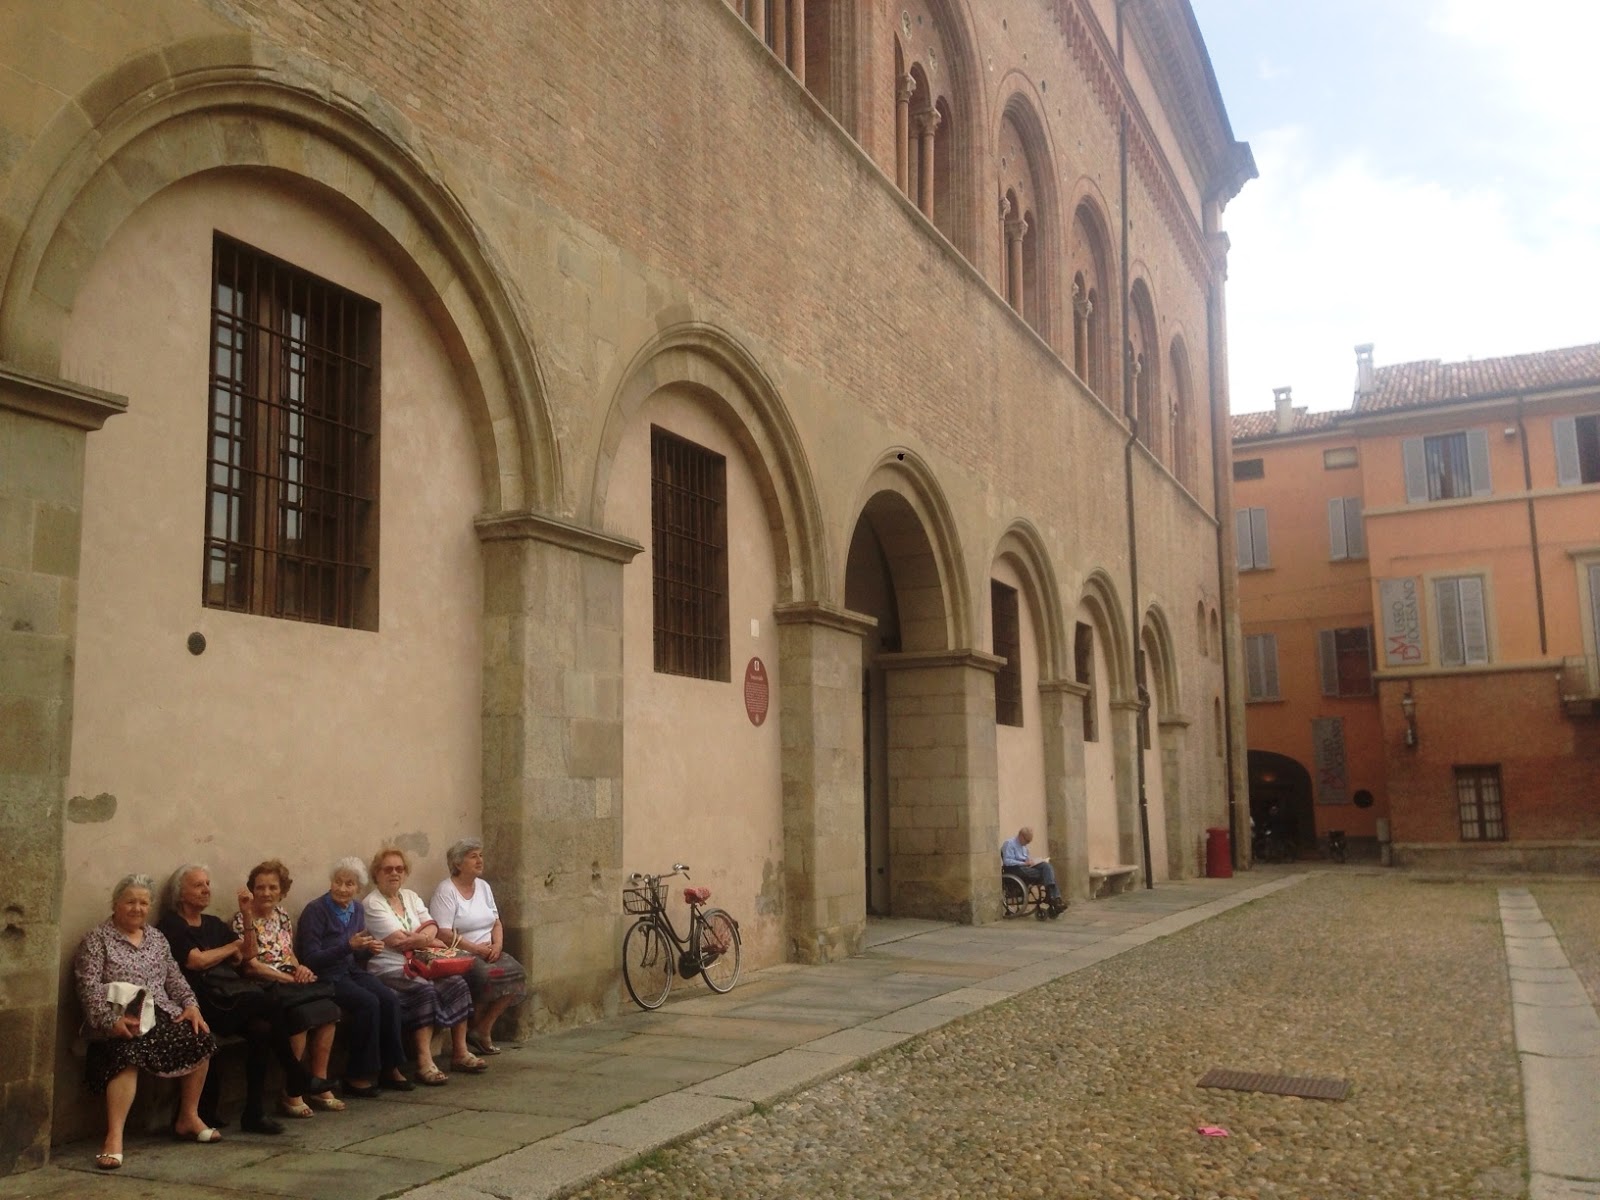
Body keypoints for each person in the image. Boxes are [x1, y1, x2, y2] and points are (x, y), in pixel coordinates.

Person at [157, 863, 319, 1134]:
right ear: (180, 894)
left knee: (262, 1029)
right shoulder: (171, 924)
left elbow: (248, 953)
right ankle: (295, 1073)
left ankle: (254, 1113)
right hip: (198, 1004)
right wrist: (230, 948)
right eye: (198, 885)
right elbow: (196, 961)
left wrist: (246, 914)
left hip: (226, 998)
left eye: (208, 884)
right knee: (269, 1003)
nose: (206, 889)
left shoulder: (212, 924)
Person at [73, 873, 219, 1170]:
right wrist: (109, 1021)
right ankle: (114, 1137)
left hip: (159, 1013)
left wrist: (191, 1005)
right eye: (130, 902)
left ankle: (188, 1117)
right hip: (119, 1018)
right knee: (128, 1054)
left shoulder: (156, 938)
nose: (137, 908)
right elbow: (88, 988)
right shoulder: (97, 939)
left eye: (143, 903)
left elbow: (174, 978)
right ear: (115, 904)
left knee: (200, 1037)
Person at [363, 846, 484, 1085]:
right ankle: (424, 1061)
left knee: (457, 983)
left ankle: (460, 1053)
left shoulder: (410, 896)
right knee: (424, 989)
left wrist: (422, 937)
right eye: (388, 869)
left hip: (423, 963)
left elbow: (432, 925)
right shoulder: (372, 903)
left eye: (400, 869)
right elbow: (397, 941)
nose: (394, 873)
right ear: (377, 873)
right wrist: (427, 938)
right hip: (390, 968)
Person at [233, 859, 344, 1118]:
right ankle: (291, 1091)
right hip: (264, 986)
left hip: (288, 982)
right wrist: (286, 978)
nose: (266, 893)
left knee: (329, 1011)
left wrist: (299, 969)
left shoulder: (282, 916)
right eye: (260, 887)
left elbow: (288, 954)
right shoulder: (242, 920)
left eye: (273, 887)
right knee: (299, 1017)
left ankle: (318, 1082)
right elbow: (251, 966)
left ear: (282, 891)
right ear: (252, 890)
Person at [295, 857, 414, 1096]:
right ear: (331, 882)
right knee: (367, 1003)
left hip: (351, 971)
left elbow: (356, 953)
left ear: (358, 888)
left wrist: (368, 949)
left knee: (389, 999)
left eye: (349, 884)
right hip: (326, 976)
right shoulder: (315, 910)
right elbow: (311, 958)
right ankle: (357, 1075)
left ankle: (390, 1067)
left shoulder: (357, 909)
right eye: (338, 882)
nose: (342, 888)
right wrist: (349, 946)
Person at [429, 839, 528, 1056]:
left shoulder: (483, 887)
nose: (480, 860)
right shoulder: (446, 890)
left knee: (517, 973)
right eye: (473, 856)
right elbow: (443, 933)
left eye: (481, 855)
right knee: (484, 976)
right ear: (457, 863)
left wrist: (497, 945)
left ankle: (483, 1028)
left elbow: (496, 922)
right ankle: (474, 1033)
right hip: (462, 952)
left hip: (489, 950)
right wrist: (476, 949)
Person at [1000, 826, 1065, 915]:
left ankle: (1055, 898)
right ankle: (1053, 897)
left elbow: (1027, 860)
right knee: (1047, 874)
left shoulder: (1024, 847)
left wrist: (1032, 862)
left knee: (1046, 866)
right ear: (1021, 836)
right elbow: (1007, 861)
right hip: (1015, 869)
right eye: (1027, 841)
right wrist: (1024, 863)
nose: (1027, 843)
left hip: (1026, 868)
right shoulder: (1009, 844)